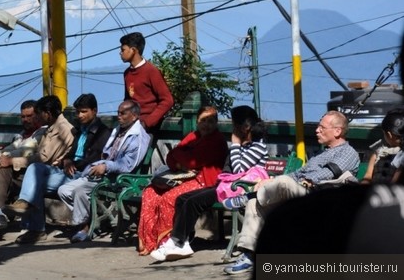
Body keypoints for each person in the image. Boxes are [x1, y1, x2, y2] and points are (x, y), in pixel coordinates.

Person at [223, 110, 360, 275]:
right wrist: (269, 181)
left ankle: (247, 197)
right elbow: (295, 175)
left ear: (338, 131)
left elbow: (330, 173)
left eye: (322, 128)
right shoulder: (320, 155)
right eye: (318, 127)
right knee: (256, 203)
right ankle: (249, 255)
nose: (317, 130)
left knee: (281, 183)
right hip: (304, 194)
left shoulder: (348, 152)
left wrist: (306, 179)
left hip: (325, 198)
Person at [151, 105, 268, 261]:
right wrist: (238, 146)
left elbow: (239, 169)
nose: (232, 129)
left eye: (234, 125)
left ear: (245, 127)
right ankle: (183, 242)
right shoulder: (245, 145)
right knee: (182, 199)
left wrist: (235, 145)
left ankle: (177, 242)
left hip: (239, 190)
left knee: (193, 202)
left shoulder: (257, 147)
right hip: (226, 186)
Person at [137, 106, 227, 256]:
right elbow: (171, 155)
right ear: (197, 122)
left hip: (204, 182)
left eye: (211, 121)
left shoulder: (217, 140)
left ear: (216, 123)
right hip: (182, 177)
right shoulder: (194, 136)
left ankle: (168, 242)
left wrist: (182, 158)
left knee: (169, 198)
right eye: (203, 121)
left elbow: (193, 161)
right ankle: (149, 241)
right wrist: (180, 161)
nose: (206, 125)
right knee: (150, 192)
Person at [58, 99, 150, 242]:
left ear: (134, 116)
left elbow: (128, 165)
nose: (119, 116)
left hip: (119, 179)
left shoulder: (137, 137)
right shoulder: (118, 129)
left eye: (123, 113)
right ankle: (90, 219)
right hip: (103, 174)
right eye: (118, 113)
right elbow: (106, 153)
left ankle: (85, 227)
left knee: (80, 191)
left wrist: (106, 166)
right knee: (63, 190)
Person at [3, 94, 75, 244]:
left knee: (35, 172)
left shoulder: (62, 129)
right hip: (48, 171)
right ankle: (31, 226)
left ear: (47, 113)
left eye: (39, 114)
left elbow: (43, 158)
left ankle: (35, 228)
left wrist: (13, 161)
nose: (37, 118)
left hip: (60, 172)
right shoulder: (51, 128)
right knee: (31, 174)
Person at [0, 100, 45, 229]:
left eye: (29, 116)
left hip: (31, 176)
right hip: (19, 173)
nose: (25, 120)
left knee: (3, 168)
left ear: (38, 115)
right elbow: (10, 148)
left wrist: (4, 157)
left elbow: (25, 151)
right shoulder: (22, 135)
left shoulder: (42, 133)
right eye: (23, 116)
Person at [119, 32, 173, 133]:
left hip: (147, 128)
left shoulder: (151, 71)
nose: (120, 53)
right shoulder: (127, 73)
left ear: (133, 50)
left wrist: (147, 122)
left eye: (123, 50)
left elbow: (167, 100)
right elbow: (128, 100)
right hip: (130, 126)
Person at [360, 108, 404, 184]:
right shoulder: (379, 148)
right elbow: (368, 175)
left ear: (389, 135)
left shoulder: (401, 155)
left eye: (384, 133)